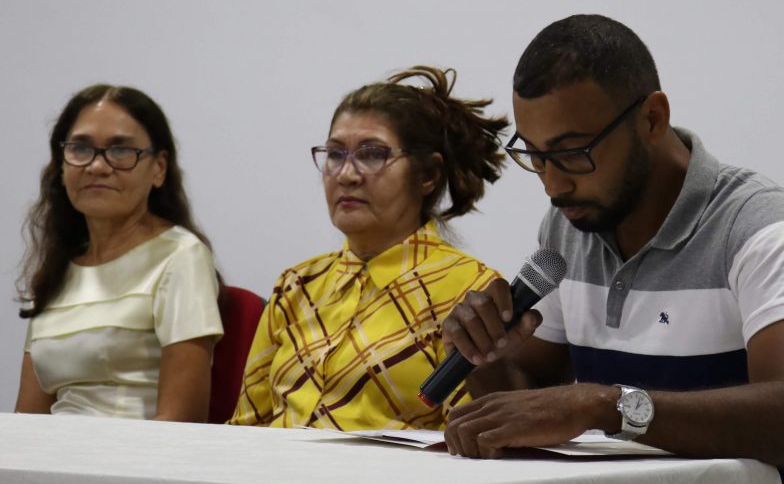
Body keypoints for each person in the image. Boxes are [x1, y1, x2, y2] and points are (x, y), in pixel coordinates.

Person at [442, 15, 784, 484]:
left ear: (652, 118)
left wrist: (604, 406)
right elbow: (529, 394)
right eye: (535, 158)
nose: (553, 185)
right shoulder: (568, 228)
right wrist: (487, 358)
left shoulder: (759, 226)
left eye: (573, 153)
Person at [229, 66, 507, 430]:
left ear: (428, 175)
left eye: (372, 154)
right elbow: (243, 431)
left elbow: (467, 439)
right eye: (334, 154)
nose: (347, 174)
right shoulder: (296, 285)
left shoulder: (469, 290)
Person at [15, 85, 224, 421]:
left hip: (132, 466)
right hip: (50, 465)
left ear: (159, 169)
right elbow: (27, 421)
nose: (97, 166)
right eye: (81, 148)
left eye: (121, 150)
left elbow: (180, 426)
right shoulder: (57, 270)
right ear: (61, 166)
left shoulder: (181, 256)